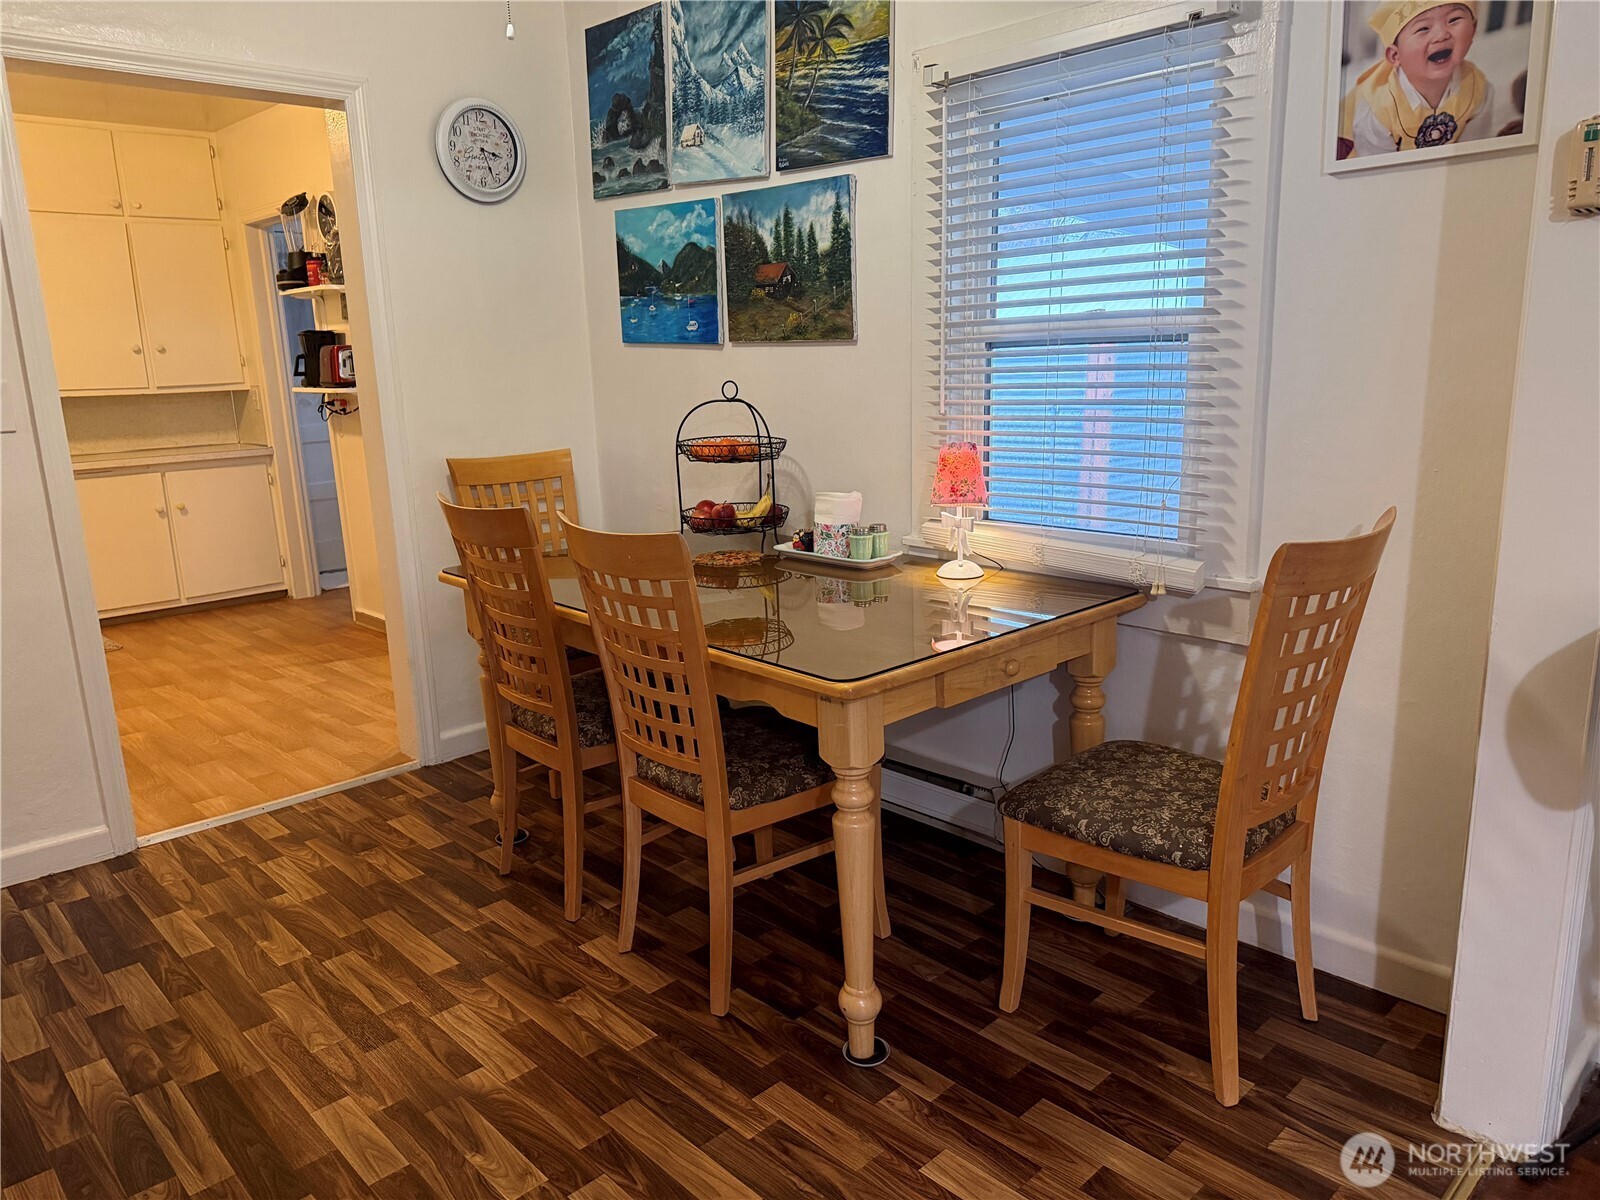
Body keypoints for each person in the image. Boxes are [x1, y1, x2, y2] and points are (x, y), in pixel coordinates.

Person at [1338, 1, 1496, 159]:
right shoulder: (1377, 108)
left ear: (1474, 29)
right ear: (1395, 56)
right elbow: (1376, 170)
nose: (1441, 35)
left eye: (1453, 20)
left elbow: (1471, 155)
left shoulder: (1478, 88)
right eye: (1423, 28)